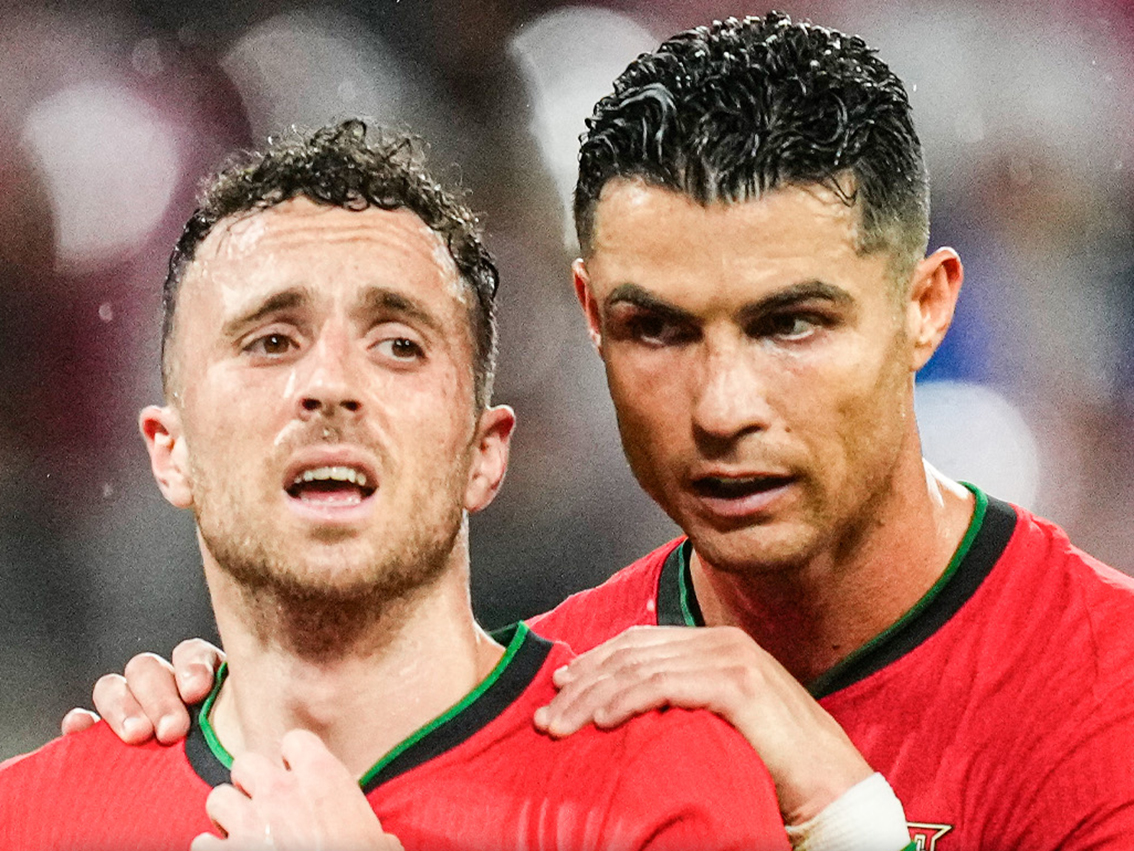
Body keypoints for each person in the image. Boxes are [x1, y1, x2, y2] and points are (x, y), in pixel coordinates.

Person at [68, 11, 1134, 850]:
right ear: (589, 316)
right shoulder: (558, 690)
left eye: (791, 323)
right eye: (657, 328)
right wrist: (214, 734)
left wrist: (846, 815)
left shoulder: (1106, 691)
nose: (723, 407)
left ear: (925, 308)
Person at [0, 120, 793, 851]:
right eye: (271, 340)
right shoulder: (32, 818)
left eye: (398, 345)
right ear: (171, 452)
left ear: (483, 454)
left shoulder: (663, 784)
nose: (330, 384)